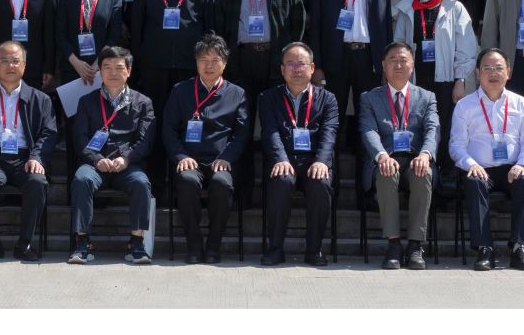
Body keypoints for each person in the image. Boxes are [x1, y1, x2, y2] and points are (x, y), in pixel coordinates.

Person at [0, 41, 60, 261]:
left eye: (15, 61)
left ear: (24, 66)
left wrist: (37, 158)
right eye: (4, 61)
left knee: (37, 182)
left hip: (25, 160)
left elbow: (49, 133)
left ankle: (25, 244)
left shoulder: (41, 99)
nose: (10, 66)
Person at [161, 35, 250, 263]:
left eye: (215, 60)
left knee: (222, 183)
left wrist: (227, 157)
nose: (209, 65)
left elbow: (242, 133)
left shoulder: (237, 93)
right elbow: (168, 129)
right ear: (196, 62)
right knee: (187, 180)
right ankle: (194, 245)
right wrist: (181, 156)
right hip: (189, 159)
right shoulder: (181, 90)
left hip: (221, 160)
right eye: (203, 60)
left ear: (225, 64)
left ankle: (213, 245)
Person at [450, 48, 524, 271]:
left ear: (508, 72)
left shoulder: (520, 103)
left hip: (512, 169)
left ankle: (519, 247)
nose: (493, 73)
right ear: (477, 73)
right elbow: (456, 145)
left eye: (498, 68)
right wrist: (471, 164)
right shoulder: (464, 105)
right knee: (474, 182)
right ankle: (485, 249)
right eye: (487, 68)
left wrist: (522, 165)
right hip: (480, 169)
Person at [67, 45, 157, 266]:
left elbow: (145, 140)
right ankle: (82, 243)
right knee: (81, 179)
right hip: (94, 163)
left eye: (119, 67)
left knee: (141, 182)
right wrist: (97, 159)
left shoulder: (143, 102)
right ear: (100, 71)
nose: (113, 72)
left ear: (129, 71)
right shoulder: (87, 101)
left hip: (127, 165)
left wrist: (126, 158)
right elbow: (79, 138)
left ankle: (136, 243)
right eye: (107, 67)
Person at [257, 42, 341, 265]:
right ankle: (275, 248)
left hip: (314, 160)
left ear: (312, 68)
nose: (296, 69)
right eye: (290, 64)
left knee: (320, 183)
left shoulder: (328, 99)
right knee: (282, 180)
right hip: (284, 158)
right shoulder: (268, 97)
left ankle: (314, 250)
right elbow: (270, 132)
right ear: (282, 69)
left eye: (301, 64)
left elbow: (329, 134)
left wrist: (322, 161)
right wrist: (281, 159)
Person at [360, 41, 440, 270]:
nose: (398, 65)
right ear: (383, 65)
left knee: (423, 173)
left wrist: (425, 154)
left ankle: (415, 246)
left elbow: (433, 129)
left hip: (416, 158)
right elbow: (368, 131)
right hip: (386, 158)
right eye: (392, 60)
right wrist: (381, 156)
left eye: (403, 60)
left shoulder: (427, 97)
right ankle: (393, 245)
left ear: (412, 65)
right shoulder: (369, 98)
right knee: (386, 172)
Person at [391, 0, 479, 121]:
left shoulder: (455, 8)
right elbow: (398, 44)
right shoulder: (407, 7)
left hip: (445, 81)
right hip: (415, 80)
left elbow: (466, 50)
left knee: (443, 127)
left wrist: (460, 80)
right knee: (417, 125)